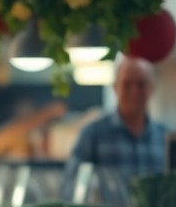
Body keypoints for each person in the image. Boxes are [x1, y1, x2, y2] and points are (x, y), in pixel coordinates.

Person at [63, 56, 169, 192]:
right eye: (127, 84)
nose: (134, 92)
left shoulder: (165, 137)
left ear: (151, 89)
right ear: (115, 88)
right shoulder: (93, 134)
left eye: (141, 84)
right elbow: (71, 184)